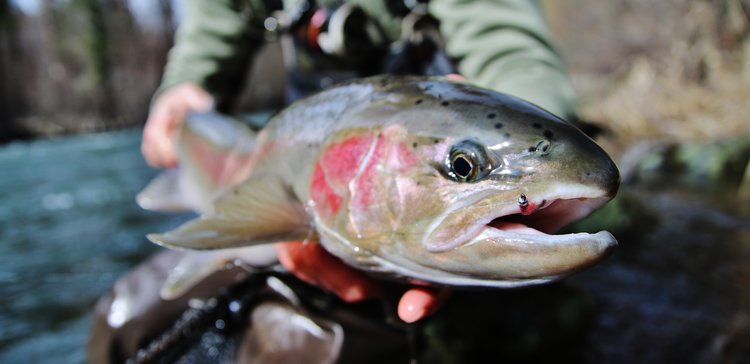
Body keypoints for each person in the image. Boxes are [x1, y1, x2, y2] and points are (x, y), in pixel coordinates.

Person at [140, 0, 577, 324]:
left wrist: (529, 120)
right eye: (462, 169)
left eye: (463, 168)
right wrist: (184, 85)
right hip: (300, 152)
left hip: (432, 117)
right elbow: (216, 23)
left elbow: (513, 51)